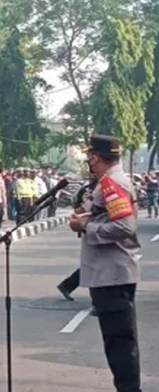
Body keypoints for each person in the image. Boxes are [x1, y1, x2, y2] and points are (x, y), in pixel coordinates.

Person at [68, 135, 142, 392]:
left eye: (90, 157)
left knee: (119, 343)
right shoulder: (107, 183)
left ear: (96, 157)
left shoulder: (111, 183)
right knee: (117, 342)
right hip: (109, 273)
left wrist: (86, 224)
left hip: (112, 274)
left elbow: (125, 226)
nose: (89, 162)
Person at [57, 173, 99, 301]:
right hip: (91, 226)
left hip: (95, 226)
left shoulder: (101, 188)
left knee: (94, 263)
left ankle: (67, 285)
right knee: (96, 264)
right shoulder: (93, 190)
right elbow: (78, 208)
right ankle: (96, 300)